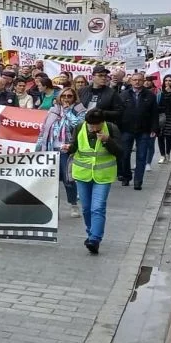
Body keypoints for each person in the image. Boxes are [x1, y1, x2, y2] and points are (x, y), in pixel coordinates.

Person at [65, 109, 122, 255]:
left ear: (103, 122)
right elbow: (74, 146)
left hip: (103, 175)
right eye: (91, 125)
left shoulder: (111, 128)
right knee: (86, 208)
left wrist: (107, 140)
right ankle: (91, 233)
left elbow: (121, 152)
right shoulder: (79, 127)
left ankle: (95, 239)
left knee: (98, 207)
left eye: (97, 125)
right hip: (83, 174)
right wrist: (68, 148)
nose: (94, 128)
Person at [37, 87, 87, 218]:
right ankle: (54, 208)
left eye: (69, 96)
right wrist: (38, 146)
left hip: (67, 150)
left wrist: (67, 111)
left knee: (68, 179)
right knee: (51, 180)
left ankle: (73, 205)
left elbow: (78, 125)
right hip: (50, 149)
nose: (66, 99)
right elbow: (44, 128)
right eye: (63, 96)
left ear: (74, 98)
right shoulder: (53, 110)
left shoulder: (80, 111)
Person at [116, 72, 157, 190]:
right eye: (134, 80)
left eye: (139, 80)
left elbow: (154, 113)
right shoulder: (123, 95)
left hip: (144, 130)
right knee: (124, 154)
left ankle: (138, 181)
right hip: (126, 129)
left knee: (142, 156)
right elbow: (119, 113)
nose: (137, 82)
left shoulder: (150, 95)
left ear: (143, 81)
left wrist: (154, 128)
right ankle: (126, 176)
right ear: (131, 81)